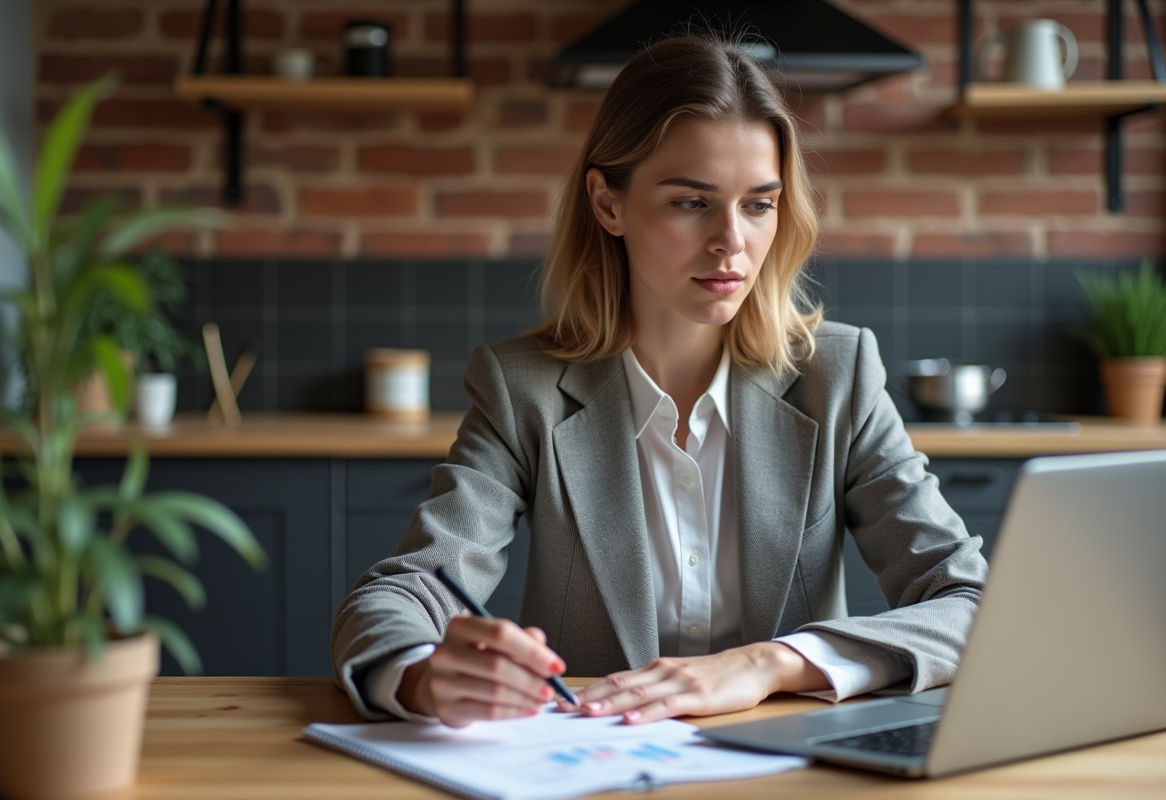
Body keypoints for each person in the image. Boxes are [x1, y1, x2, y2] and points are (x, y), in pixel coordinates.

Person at [331, 34, 987, 729]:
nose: (731, 242)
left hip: (794, 768)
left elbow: (970, 603)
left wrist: (769, 663)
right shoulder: (523, 388)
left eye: (759, 205)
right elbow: (399, 593)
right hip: (597, 765)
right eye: (690, 203)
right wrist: (422, 677)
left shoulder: (837, 376)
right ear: (608, 204)